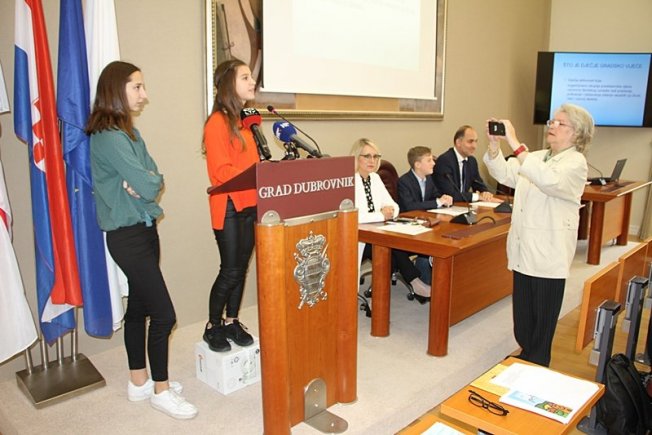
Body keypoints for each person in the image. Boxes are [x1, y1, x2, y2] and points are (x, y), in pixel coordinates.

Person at [87, 61, 197, 419]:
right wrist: (145, 183)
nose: (144, 95)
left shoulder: (130, 134)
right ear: (116, 89)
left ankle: (139, 383)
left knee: (137, 309)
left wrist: (145, 182)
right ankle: (161, 391)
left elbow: (155, 178)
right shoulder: (109, 137)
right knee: (164, 315)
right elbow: (149, 185)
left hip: (145, 229)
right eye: (137, 87)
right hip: (127, 236)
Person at [483, 103, 594, 367]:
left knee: (542, 324)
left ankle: (538, 363)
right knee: (523, 319)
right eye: (552, 121)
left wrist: (515, 143)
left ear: (576, 133)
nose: (552, 126)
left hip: (548, 253)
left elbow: (548, 180)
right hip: (524, 248)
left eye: (560, 123)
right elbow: (505, 174)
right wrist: (495, 147)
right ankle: (526, 356)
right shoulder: (539, 156)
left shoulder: (575, 163)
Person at [202, 58, 258, 353]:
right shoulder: (217, 122)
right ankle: (213, 326)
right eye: (245, 77)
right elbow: (221, 171)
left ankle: (232, 321)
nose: (253, 82)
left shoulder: (245, 124)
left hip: (252, 203)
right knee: (230, 270)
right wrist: (257, 176)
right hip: (229, 206)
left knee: (242, 269)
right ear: (228, 84)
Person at [352, 138, 431, 303]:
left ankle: (388, 293)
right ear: (356, 157)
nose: (372, 160)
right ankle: (415, 282)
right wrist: (381, 215)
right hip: (358, 238)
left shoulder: (375, 178)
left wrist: (389, 211)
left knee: (393, 245)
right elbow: (355, 216)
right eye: (367, 156)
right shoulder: (349, 181)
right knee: (391, 245)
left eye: (375, 156)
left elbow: (394, 206)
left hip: (379, 231)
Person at [397, 146, 453, 285]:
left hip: (425, 223)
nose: (433, 163)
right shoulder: (404, 181)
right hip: (407, 227)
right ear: (417, 164)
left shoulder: (429, 179)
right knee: (429, 246)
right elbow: (409, 206)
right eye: (429, 160)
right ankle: (424, 283)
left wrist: (444, 199)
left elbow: (434, 197)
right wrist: (437, 202)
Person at [433, 125, 495, 203]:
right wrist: (476, 196)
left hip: (463, 206)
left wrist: (485, 192)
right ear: (458, 142)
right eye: (470, 141)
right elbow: (450, 194)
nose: (474, 146)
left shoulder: (471, 161)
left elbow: (478, 183)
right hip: (446, 206)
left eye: (476, 141)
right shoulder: (444, 161)